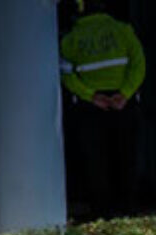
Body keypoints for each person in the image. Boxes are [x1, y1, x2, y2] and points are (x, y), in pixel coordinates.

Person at [59, 6, 146, 220]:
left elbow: (66, 74)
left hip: (91, 107)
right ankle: (128, 208)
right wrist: (125, 93)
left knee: (95, 160)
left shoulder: (70, 40)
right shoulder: (123, 30)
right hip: (122, 104)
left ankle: (101, 212)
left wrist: (91, 96)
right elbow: (139, 65)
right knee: (127, 157)